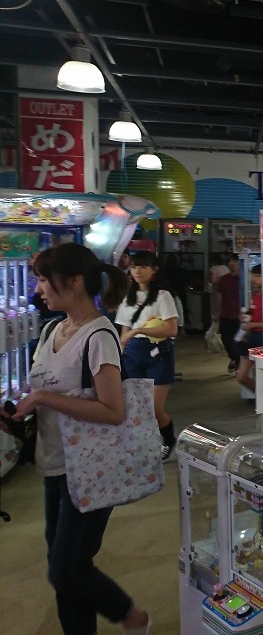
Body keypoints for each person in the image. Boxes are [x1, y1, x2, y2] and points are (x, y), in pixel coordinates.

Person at [0, 243, 152, 634]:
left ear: (74, 282)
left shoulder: (99, 336)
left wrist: (41, 398)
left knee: (65, 569)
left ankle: (131, 616)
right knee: (67, 569)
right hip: (54, 463)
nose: (38, 289)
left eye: (44, 280)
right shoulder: (52, 330)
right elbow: (46, 392)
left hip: (89, 469)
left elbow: (113, 410)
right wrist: (19, 411)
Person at [115, 250, 180, 461]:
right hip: (132, 355)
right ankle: (143, 447)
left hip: (158, 353)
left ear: (154, 270)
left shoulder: (163, 296)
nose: (137, 271)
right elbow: (124, 332)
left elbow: (171, 329)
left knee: (154, 408)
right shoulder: (127, 297)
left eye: (143, 266)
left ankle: (168, 438)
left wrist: (139, 330)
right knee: (136, 407)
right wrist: (118, 356)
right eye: (134, 266)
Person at [235, 265, 263, 395]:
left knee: (261, 374)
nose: (253, 279)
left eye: (257, 276)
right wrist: (245, 317)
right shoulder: (255, 296)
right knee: (241, 376)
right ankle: (261, 398)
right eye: (253, 276)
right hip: (252, 339)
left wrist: (252, 325)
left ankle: (262, 400)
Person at [214, 254, 242, 372]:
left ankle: (237, 361)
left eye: (234, 261)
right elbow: (219, 297)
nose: (231, 263)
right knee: (226, 340)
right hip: (225, 315)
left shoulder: (244, 279)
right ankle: (234, 358)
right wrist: (216, 313)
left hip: (240, 317)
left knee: (238, 341)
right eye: (230, 261)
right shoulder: (223, 280)